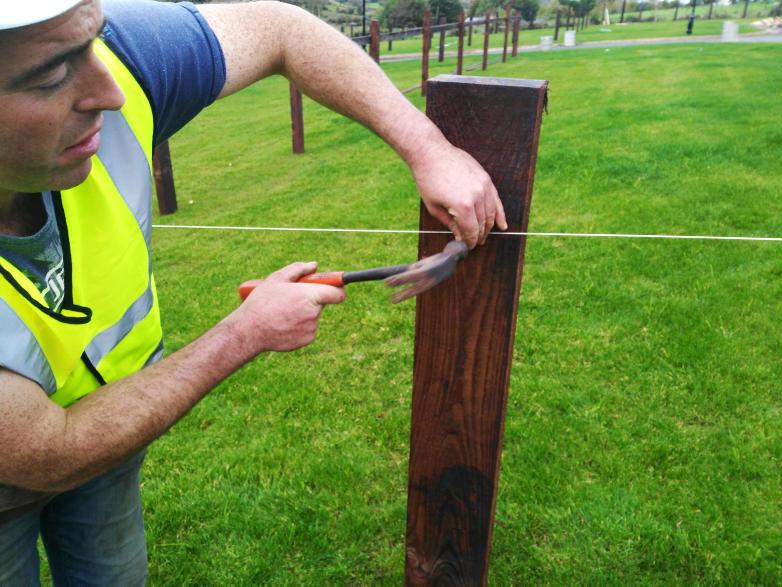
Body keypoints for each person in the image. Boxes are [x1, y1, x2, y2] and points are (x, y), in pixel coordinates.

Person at [0, 0, 506, 583]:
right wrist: (246, 332)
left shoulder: (106, 57)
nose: (112, 92)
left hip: (115, 442)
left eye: (95, 43)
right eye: (52, 76)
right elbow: (50, 450)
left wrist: (429, 148)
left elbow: (279, 28)